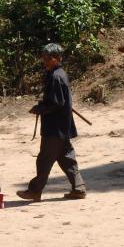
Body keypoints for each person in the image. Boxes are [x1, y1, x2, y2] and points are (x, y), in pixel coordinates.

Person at [16, 43, 86, 202]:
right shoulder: (58, 73)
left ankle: (34, 191)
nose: (45, 61)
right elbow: (58, 100)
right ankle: (79, 188)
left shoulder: (56, 76)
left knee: (44, 160)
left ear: (57, 59)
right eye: (45, 58)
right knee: (66, 157)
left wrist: (41, 108)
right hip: (62, 126)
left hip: (55, 127)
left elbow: (56, 103)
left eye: (49, 58)